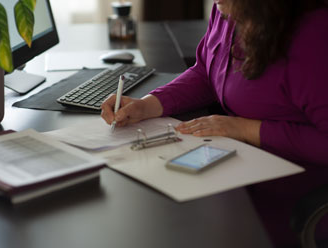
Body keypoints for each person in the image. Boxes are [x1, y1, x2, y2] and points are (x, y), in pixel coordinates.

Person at [101, 0, 328, 246]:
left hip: (293, 196)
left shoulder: (312, 34)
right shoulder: (228, 9)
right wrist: (149, 105)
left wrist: (246, 128)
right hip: (236, 172)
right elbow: (206, 73)